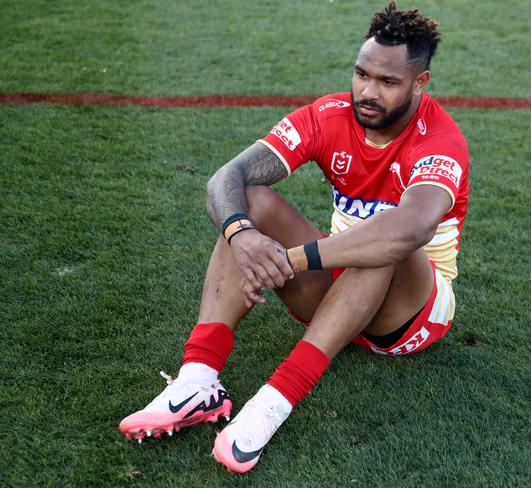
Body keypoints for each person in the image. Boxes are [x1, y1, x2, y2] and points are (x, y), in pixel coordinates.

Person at [119, 1, 469, 474]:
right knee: (252, 203)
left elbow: (410, 229)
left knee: (384, 241)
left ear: (419, 83)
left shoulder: (439, 139)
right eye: (362, 74)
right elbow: (227, 178)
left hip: (410, 313)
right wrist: (243, 236)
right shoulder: (330, 115)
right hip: (338, 291)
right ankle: (198, 379)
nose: (368, 91)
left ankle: (272, 403)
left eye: (388, 83)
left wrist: (292, 261)